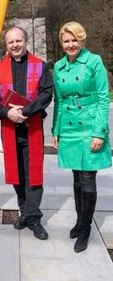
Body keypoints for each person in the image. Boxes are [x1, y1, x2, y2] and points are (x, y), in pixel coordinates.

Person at [0, 25, 53, 240]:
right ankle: (24, 211)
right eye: (10, 42)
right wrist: (7, 113)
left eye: (18, 41)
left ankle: (34, 217)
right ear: (6, 45)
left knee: (33, 174)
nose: (15, 45)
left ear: (25, 42)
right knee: (17, 174)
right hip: (10, 129)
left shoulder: (40, 66)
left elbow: (45, 95)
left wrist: (24, 111)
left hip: (32, 128)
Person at [52, 22, 112, 253]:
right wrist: (56, 130)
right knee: (76, 178)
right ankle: (79, 220)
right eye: (66, 41)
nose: (70, 45)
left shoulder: (94, 61)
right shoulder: (58, 67)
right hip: (68, 126)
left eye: (74, 40)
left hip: (89, 125)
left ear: (82, 40)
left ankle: (86, 228)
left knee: (88, 179)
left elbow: (103, 98)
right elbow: (59, 100)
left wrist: (99, 132)